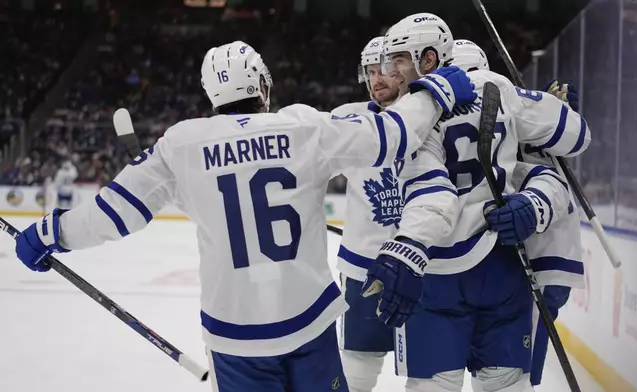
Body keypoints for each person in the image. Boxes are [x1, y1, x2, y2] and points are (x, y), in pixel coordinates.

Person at [14, 41, 477, 392]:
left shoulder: (181, 143)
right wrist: (434, 91)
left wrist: (50, 232)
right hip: (311, 322)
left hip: (235, 339)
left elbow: (111, 216)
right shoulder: (302, 125)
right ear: (261, 85)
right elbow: (392, 133)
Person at [364, 13, 592, 392]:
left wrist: (407, 250)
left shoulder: (410, 115)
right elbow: (576, 136)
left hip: (438, 273)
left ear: (430, 58)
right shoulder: (495, 86)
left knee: (434, 386)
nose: (392, 72)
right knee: (506, 386)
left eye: (399, 59)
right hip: (503, 263)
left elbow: (432, 196)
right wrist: (560, 115)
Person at [452, 39, 585, 388]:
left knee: (510, 367)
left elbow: (542, 174)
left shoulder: (503, 106)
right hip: (516, 255)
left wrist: (550, 126)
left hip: (534, 252)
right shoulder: (507, 107)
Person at [332, 36, 404, 392]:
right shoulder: (349, 119)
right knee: (356, 375)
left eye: (385, 70)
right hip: (363, 269)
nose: (376, 79)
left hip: (424, 269)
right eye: (370, 71)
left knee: (432, 377)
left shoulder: (432, 118)